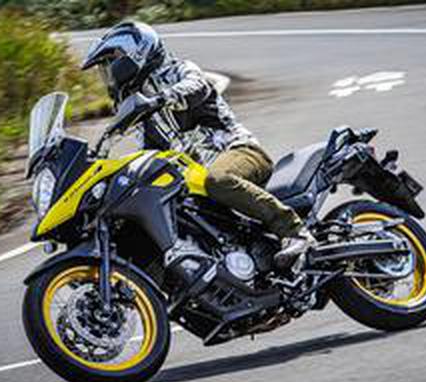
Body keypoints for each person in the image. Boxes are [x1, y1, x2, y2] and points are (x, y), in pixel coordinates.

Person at [81, 21, 315, 266]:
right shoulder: (134, 103)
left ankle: (294, 231)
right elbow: (148, 153)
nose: (107, 75)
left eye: (109, 64)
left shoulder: (178, 70)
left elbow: (197, 86)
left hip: (241, 151)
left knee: (219, 180)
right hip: (193, 177)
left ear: (134, 56)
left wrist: (160, 99)